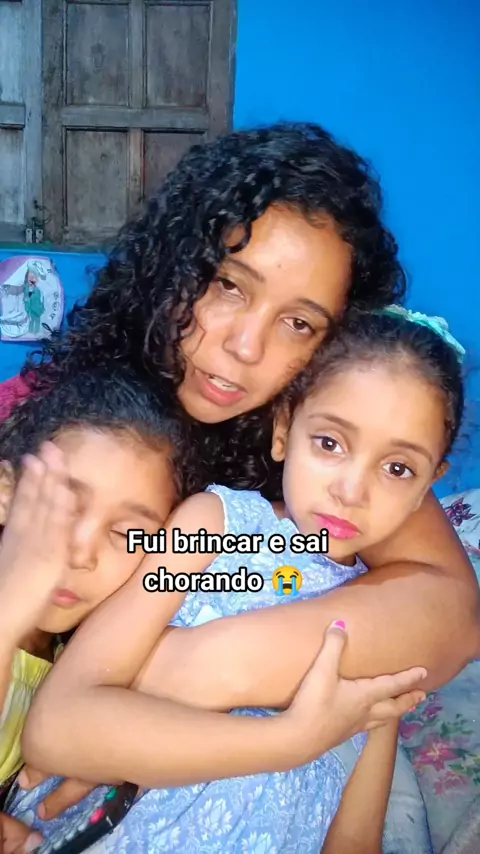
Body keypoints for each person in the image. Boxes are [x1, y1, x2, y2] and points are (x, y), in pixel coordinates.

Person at [1, 122, 479, 843]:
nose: (246, 347)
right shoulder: (54, 424)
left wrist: (196, 669)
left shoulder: (327, 462)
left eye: (299, 324)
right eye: (228, 285)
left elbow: (450, 615)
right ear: (175, 262)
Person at [12, 307, 466, 853]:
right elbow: (56, 730)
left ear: (427, 488)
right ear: (284, 431)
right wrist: (286, 742)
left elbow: (353, 841)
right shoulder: (215, 528)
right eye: (330, 443)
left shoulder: (386, 645)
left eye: (397, 469)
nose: (352, 490)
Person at [0, 366, 188, 803]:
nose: (81, 553)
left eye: (126, 533)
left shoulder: (80, 665)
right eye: (64, 507)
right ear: (6, 491)